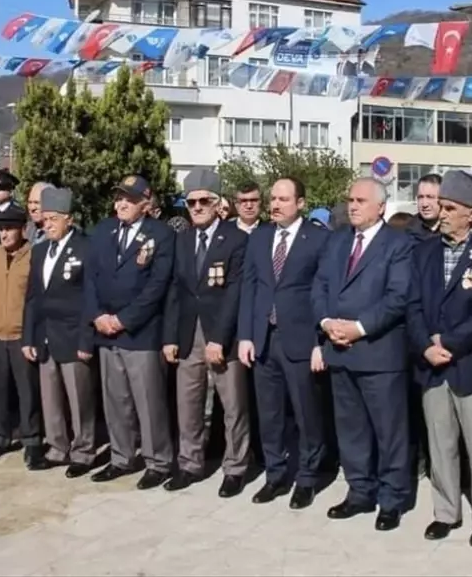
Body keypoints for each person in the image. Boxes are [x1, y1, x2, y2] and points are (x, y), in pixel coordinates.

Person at [409, 171, 472, 548]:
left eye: (451, 208)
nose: (442, 212)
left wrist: (449, 341)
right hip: (433, 367)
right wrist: (425, 346)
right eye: (442, 206)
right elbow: (412, 306)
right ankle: (445, 512)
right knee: (440, 445)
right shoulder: (425, 251)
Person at [312, 177, 414, 531]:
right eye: (350, 199)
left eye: (360, 200)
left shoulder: (398, 244)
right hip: (340, 351)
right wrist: (326, 322)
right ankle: (360, 492)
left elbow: (398, 297)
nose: (352, 206)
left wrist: (358, 327)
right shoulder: (337, 241)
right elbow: (321, 285)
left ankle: (392, 498)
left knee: (389, 431)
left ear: (381, 207)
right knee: (351, 429)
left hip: (378, 353)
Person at [238, 177, 331, 509]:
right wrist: (246, 335)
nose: (275, 205)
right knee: (270, 414)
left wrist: (322, 342)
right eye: (272, 198)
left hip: (302, 340)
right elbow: (250, 287)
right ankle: (275, 475)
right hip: (264, 340)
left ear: (301, 203)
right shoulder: (261, 236)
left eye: (283, 199)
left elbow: (325, 292)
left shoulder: (319, 239)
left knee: (307, 414)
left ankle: (307, 477)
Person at [162, 168, 251, 495]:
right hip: (188, 335)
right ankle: (189, 463)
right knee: (189, 404)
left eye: (203, 201)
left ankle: (235, 467)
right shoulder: (181, 239)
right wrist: (170, 336)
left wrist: (220, 338)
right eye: (191, 202)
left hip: (222, 337)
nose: (197, 207)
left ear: (218, 204)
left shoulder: (237, 239)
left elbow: (235, 292)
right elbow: (175, 290)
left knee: (233, 406)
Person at [84, 175, 176, 489]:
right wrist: (97, 315)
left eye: (130, 199)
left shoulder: (161, 235)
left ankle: (158, 461)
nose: (122, 204)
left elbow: (157, 286)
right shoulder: (103, 230)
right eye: (119, 197)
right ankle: (121, 457)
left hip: (141, 332)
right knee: (115, 400)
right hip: (106, 331)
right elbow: (90, 278)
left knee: (148, 402)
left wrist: (124, 319)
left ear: (145, 203)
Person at [23, 188, 93, 477]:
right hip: (45, 336)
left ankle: (83, 451)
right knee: (50, 396)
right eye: (45, 219)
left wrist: (86, 339)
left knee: (79, 398)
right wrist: (29, 336)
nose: (47, 224)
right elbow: (32, 297)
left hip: (74, 335)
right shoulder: (39, 251)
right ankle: (57, 446)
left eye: (53, 219)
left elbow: (91, 298)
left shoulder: (85, 248)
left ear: (69, 219)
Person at [0, 205, 45, 469]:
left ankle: (32, 442)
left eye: (9, 229)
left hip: (20, 335)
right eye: (0, 229)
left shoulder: (33, 255)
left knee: (27, 391)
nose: (3, 234)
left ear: (22, 228)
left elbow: (37, 298)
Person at [408, 173, 442, 240]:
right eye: (420, 197)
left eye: (430, 197)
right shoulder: (405, 233)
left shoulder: (454, 231)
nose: (424, 204)